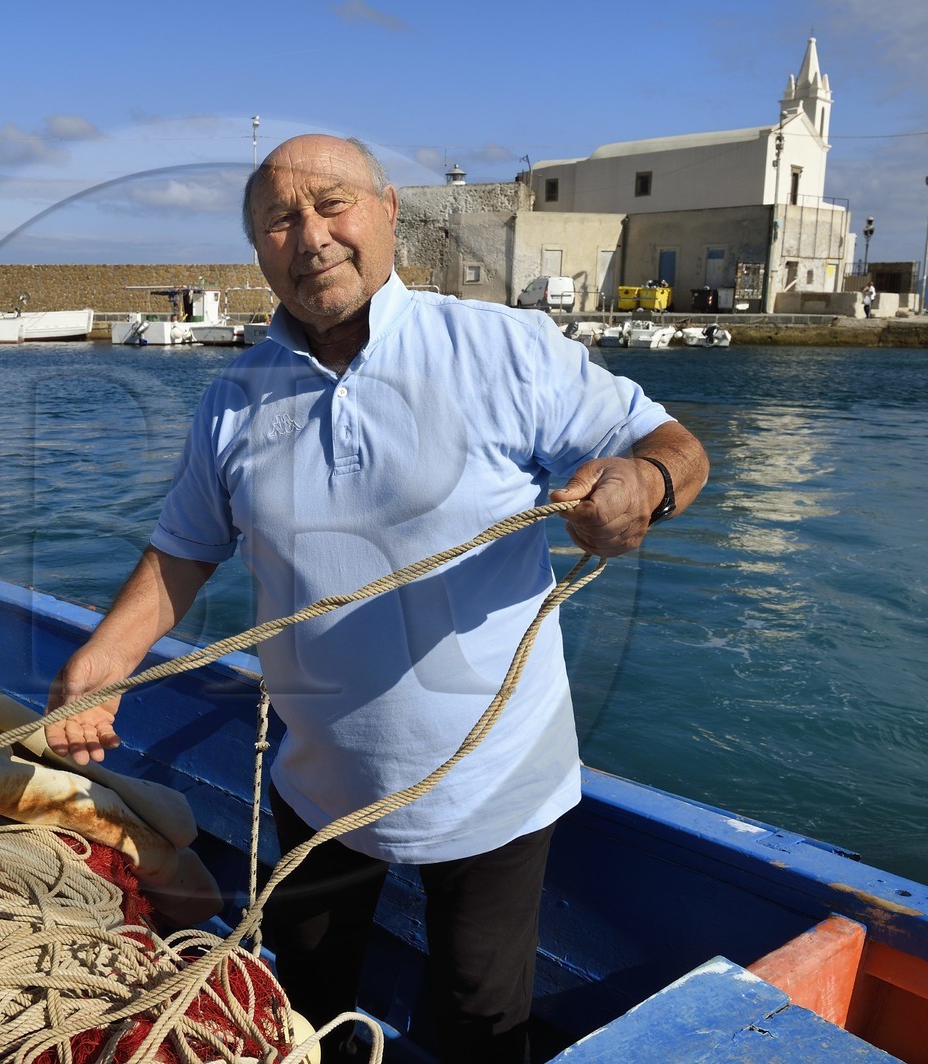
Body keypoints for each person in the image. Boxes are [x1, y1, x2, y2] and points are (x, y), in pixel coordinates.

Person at [44, 134, 708, 1062]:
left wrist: (646, 485)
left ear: (389, 211)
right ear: (258, 248)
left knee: (481, 1024)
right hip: (317, 789)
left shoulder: (506, 349)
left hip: (494, 788)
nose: (311, 236)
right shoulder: (232, 398)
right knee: (304, 1014)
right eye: (280, 220)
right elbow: (186, 551)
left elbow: (675, 447)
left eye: (333, 204)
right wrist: (105, 660)